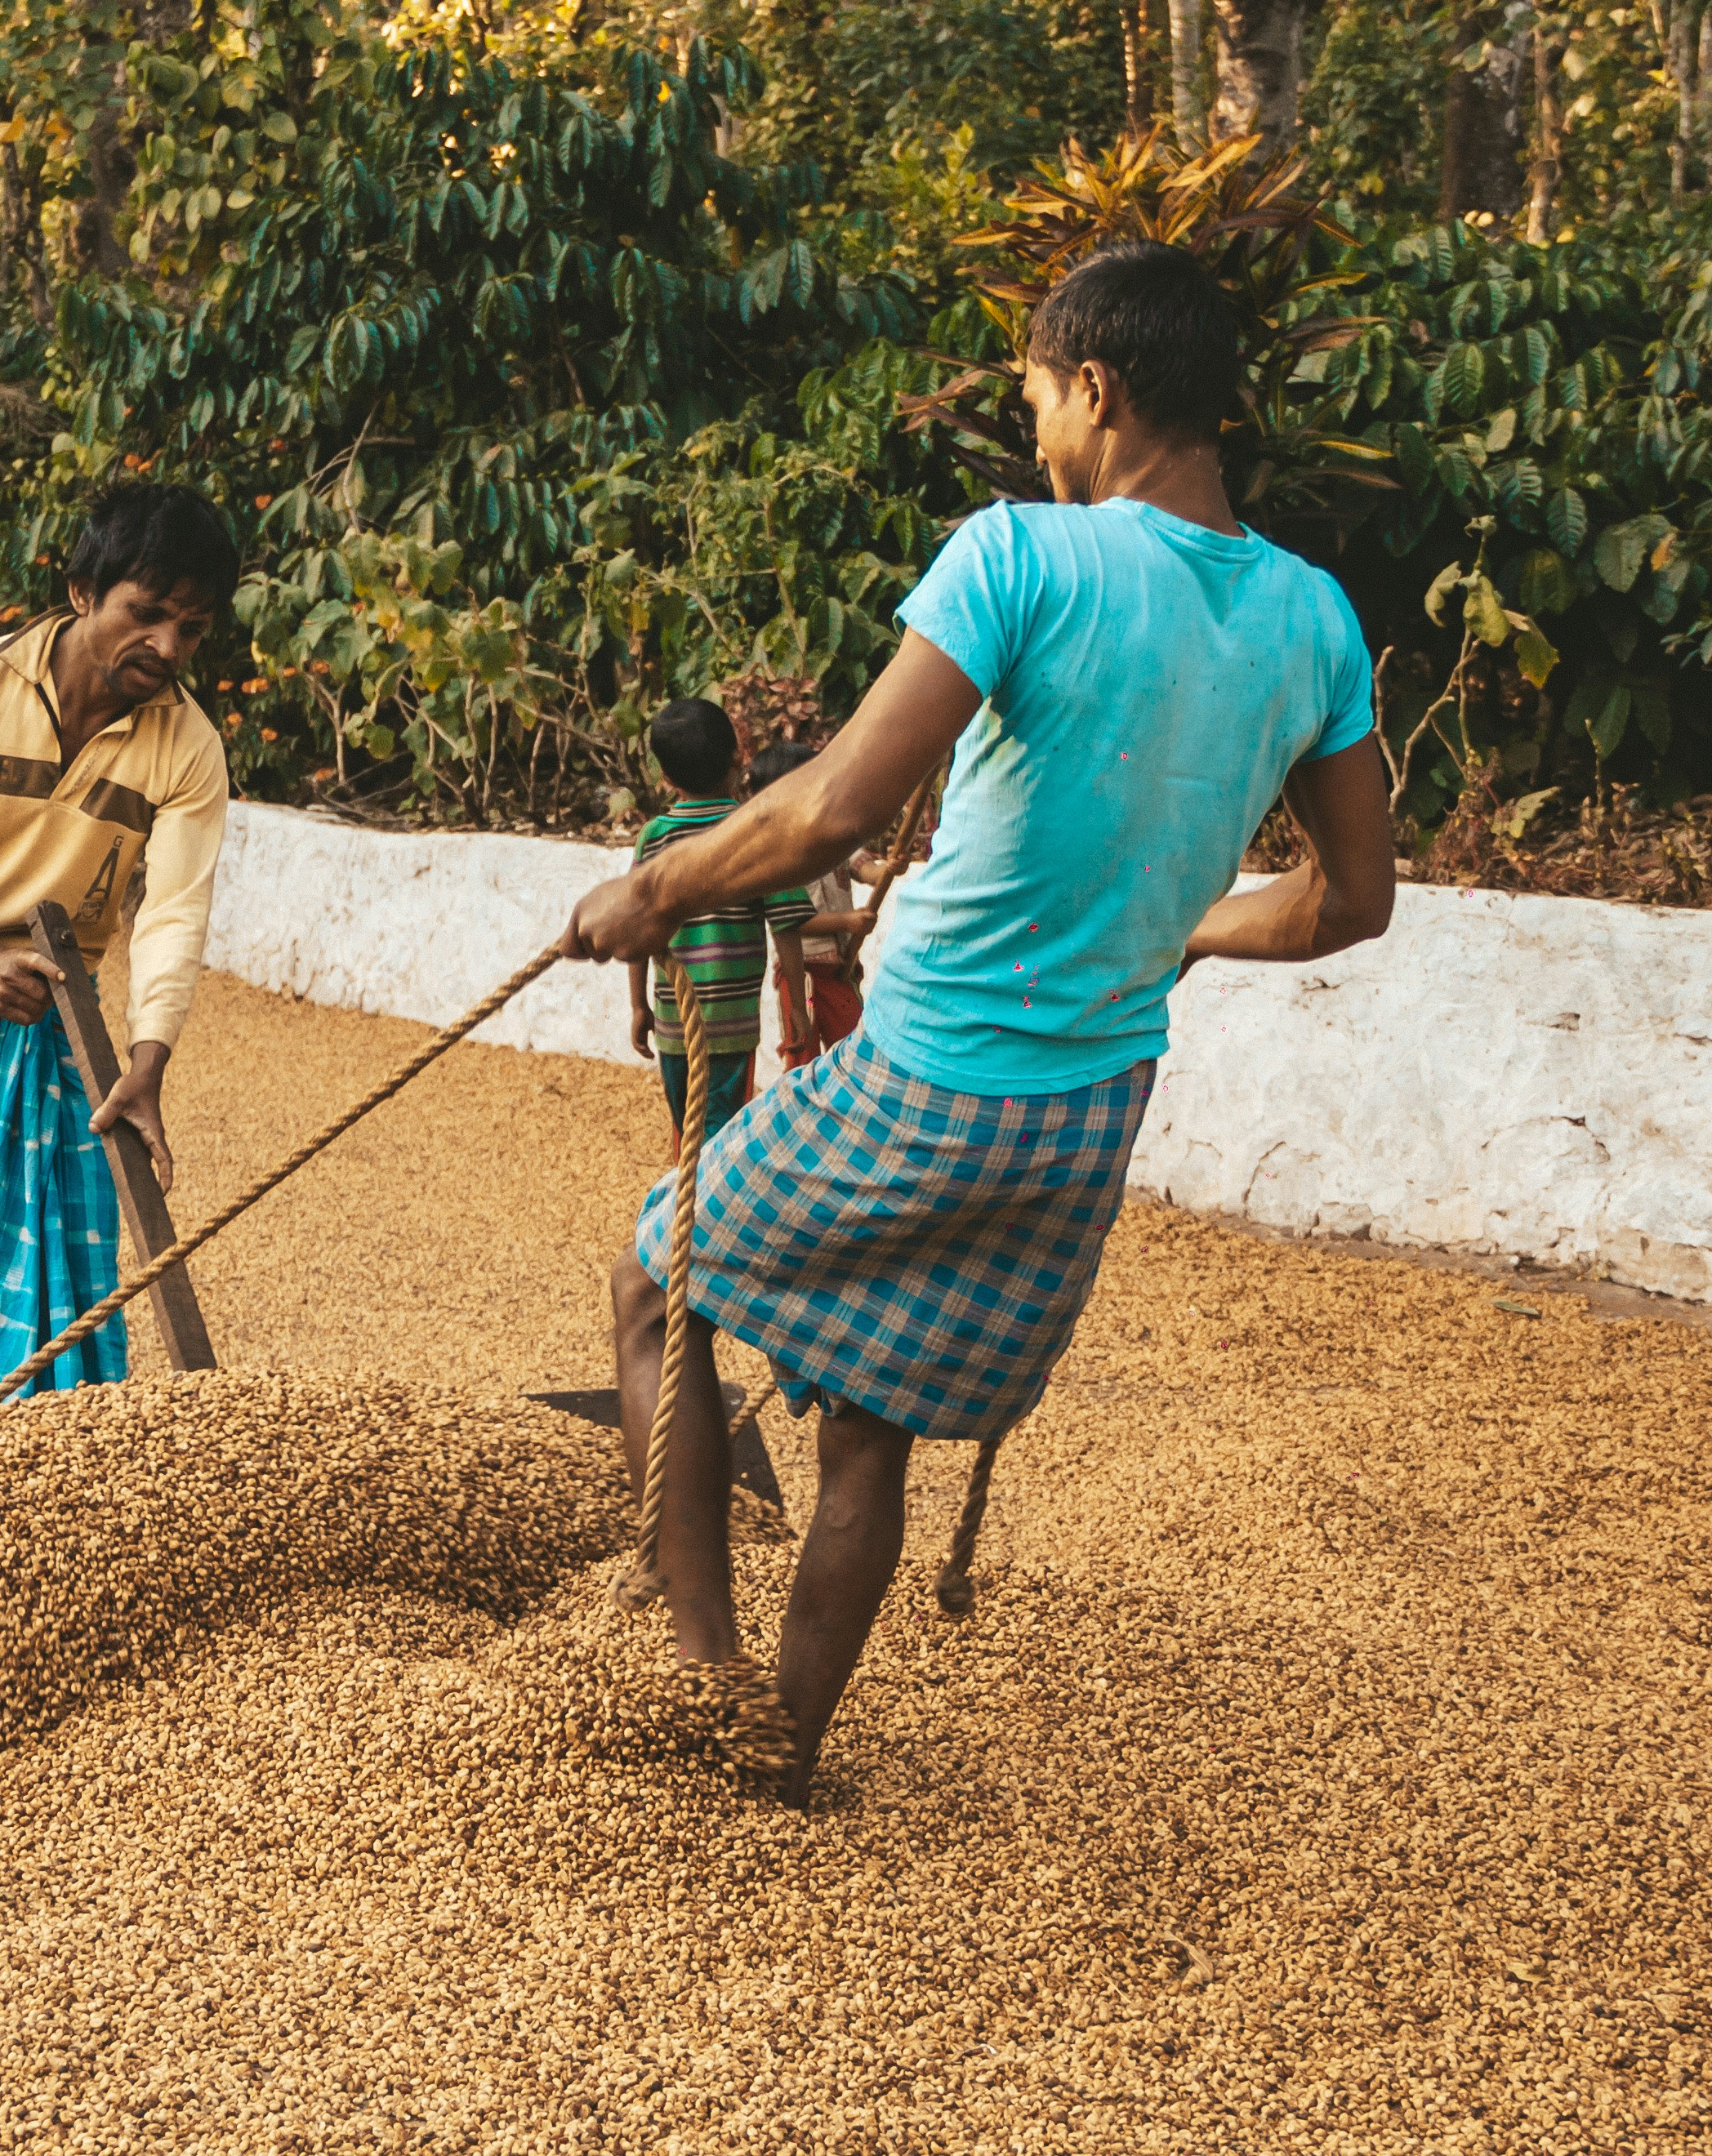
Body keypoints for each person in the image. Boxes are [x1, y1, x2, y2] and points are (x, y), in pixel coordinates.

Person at [564, 238, 1398, 1805]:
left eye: (1034, 396)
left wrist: (658, 891)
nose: (1031, 434)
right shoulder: (1314, 620)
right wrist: (1175, 932)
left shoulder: (1019, 555)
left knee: (644, 1284)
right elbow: (1349, 902)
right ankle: (780, 1760)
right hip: (1085, 1114)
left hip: (928, 1074)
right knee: (866, 1433)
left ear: (1096, 388)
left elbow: (828, 810)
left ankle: (700, 1681)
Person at [0, 483, 237, 1442]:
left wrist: (148, 1061)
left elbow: (173, 908)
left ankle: (40, 1482)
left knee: (61, 1267)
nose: (168, 648)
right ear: (80, 593)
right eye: (146, 615)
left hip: (68, 1015)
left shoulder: (187, 747)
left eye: (192, 628)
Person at [626, 701, 813, 1135]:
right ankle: (706, 1200)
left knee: (689, 1127)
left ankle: (691, 1199)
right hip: (733, 1026)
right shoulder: (753, 831)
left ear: (667, 778)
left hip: (674, 1023)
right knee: (720, 1132)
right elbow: (786, 924)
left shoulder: (653, 838)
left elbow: (635, 926)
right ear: (738, 757)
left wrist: (638, 1006)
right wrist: (799, 1011)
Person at [738, 742, 880, 1067]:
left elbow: (862, 867)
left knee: (852, 1052)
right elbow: (790, 921)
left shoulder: (836, 838)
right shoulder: (777, 854)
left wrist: (886, 870)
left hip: (841, 970)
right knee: (801, 1050)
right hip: (801, 972)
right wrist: (846, 922)